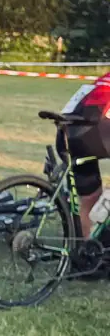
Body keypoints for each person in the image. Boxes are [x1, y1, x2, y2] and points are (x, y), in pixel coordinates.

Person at [59, 72, 110, 234]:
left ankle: (83, 251)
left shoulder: (104, 79)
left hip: (69, 131)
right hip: (95, 132)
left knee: (89, 198)